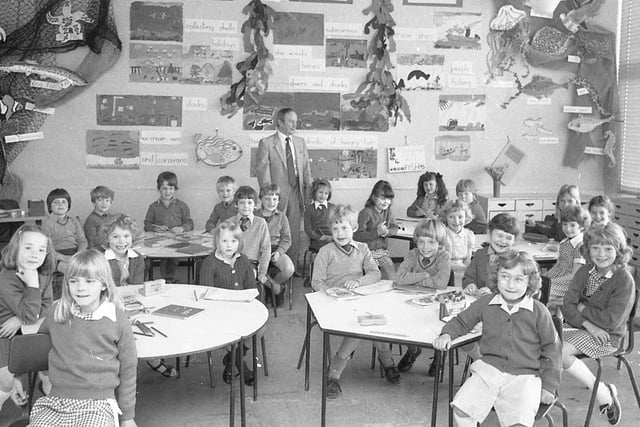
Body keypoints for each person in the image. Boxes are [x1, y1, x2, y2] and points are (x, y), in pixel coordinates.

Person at [434, 251, 561, 427]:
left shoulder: (539, 311)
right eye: (505, 277)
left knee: (518, 423)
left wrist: (549, 386)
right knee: (461, 409)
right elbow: (462, 321)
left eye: (518, 279)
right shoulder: (486, 302)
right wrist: (447, 334)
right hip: (488, 371)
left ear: (529, 282)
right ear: (495, 277)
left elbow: (552, 350)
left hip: (525, 377)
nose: (510, 284)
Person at [29, 250, 138, 427]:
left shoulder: (116, 319)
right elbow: (36, 348)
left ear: (103, 284)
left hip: (98, 403)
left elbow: (129, 370)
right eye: (74, 281)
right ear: (67, 284)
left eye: (89, 281)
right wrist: (41, 376)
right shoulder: (58, 312)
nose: (80, 287)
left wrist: (127, 416)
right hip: (56, 401)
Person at [312, 204, 400, 399]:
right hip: (333, 304)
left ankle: (385, 362)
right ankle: (336, 372)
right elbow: (316, 281)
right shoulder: (325, 251)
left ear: (354, 228)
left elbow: (375, 273)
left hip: (358, 301)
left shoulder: (363, 248)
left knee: (377, 321)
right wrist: (329, 292)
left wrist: (359, 281)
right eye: (335, 229)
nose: (340, 233)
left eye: (344, 228)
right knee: (360, 327)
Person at [561, 222, 634, 425]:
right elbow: (567, 305)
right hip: (583, 328)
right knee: (543, 342)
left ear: (619, 251)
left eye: (608, 249)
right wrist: (587, 323)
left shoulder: (624, 280)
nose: (601, 254)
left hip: (608, 336)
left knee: (560, 352)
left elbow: (610, 320)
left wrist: (582, 308)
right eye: (595, 248)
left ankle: (602, 392)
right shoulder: (585, 271)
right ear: (588, 249)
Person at [0, 225, 55, 410]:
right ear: (16, 248)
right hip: (4, 333)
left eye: (41, 249)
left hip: (25, 327)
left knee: (54, 360)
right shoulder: (7, 277)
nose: (35, 254)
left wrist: (19, 318)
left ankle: (48, 386)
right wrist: (32, 284)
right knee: (6, 380)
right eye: (28, 247)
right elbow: (31, 315)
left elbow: (47, 306)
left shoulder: (44, 274)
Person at [198, 221, 256, 386]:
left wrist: (253, 304)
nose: (229, 245)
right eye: (224, 241)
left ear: (240, 243)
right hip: (219, 313)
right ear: (217, 241)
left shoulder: (243, 260)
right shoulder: (210, 263)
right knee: (233, 333)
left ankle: (231, 360)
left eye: (234, 241)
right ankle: (241, 367)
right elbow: (207, 294)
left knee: (260, 329)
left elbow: (252, 288)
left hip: (243, 309)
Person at [255, 108, 312, 273]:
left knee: (293, 233)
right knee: (272, 231)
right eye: (290, 121)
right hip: (275, 197)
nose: (295, 124)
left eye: (296, 120)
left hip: (296, 193)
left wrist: (309, 193)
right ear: (279, 122)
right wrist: (268, 197)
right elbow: (262, 171)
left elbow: (306, 169)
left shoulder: (300, 142)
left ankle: (291, 269)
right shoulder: (266, 143)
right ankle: (267, 268)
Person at [395, 219, 452, 375]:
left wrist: (413, 278)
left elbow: (440, 283)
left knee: (436, 324)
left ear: (439, 243)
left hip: (436, 303)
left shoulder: (444, 257)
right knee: (404, 319)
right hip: (412, 300)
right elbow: (399, 278)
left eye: (431, 242)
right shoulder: (412, 254)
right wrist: (424, 275)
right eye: (421, 242)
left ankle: (438, 356)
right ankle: (413, 349)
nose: (425, 247)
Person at [143, 171, 194, 283]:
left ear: (175, 189)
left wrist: (182, 228)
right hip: (159, 241)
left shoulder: (182, 205)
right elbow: (147, 224)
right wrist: (155, 228)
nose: (168, 192)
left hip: (177, 240)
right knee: (163, 257)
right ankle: (164, 279)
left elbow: (190, 223)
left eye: (171, 188)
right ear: (159, 189)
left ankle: (169, 278)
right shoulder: (153, 206)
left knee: (173, 257)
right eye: (164, 188)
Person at [545, 206, 590, 314]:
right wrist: (545, 276)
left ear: (582, 226)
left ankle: (547, 320)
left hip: (570, 284)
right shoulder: (564, 242)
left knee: (542, 292)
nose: (568, 229)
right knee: (537, 286)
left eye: (572, 225)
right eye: (565, 224)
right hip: (559, 278)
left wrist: (550, 282)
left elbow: (574, 275)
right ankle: (551, 318)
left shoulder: (580, 246)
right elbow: (558, 265)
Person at [462, 213, 520, 298]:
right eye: (499, 235)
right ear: (489, 233)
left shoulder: (515, 261)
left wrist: (493, 292)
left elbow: (515, 288)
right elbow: (468, 277)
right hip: (479, 302)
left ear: (514, 240)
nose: (503, 241)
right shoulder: (479, 254)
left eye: (509, 238)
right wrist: (470, 285)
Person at [255, 183, 294, 306]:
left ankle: (270, 287)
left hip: (275, 249)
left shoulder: (282, 216)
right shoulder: (254, 215)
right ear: (261, 199)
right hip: (258, 250)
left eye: (274, 199)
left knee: (289, 269)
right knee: (254, 269)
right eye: (267, 198)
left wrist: (279, 252)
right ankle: (277, 289)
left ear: (278, 201)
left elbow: (287, 239)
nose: (271, 202)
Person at [354, 180, 398, 281]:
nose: (386, 201)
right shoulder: (366, 213)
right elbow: (357, 236)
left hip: (381, 251)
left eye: (389, 198)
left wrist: (386, 232)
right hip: (366, 252)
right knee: (373, 276)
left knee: (392, 273)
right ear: (374, 198)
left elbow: (394, 228)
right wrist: (376, 233)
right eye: (382, 198)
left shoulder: (387, 211)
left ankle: (392, 293)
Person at [233, 186, 271, 292]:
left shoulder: (260, 223)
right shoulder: (229, 223)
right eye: (241, 202)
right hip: (231, 261)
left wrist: (262, 272)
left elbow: (266, 249)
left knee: (242, 277)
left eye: (249, 202)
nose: (246, 206)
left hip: (251, 263)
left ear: (255, 205)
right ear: (236, 204)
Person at [41, 188, 88, 274]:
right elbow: (47, 248)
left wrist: (78, 254)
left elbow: (82, 240)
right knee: (71, 270)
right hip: (57, 256)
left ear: (68, 205)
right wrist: (64, 258)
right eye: (56, 202)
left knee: (91, 267)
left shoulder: (74, 221)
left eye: (63, 201)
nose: (60, 204)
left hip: (75, 253)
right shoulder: (47, 224)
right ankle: (67, 287)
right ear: (50, 206)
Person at [101, 215, 145, 286]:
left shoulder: (138, 258)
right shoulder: (101, 260)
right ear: (107, 238)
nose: (121, 241)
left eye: (126, 236)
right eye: (115, 237)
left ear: (132, 237)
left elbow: (138, 285)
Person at [441, 199, 475, 267]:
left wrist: (464, 268)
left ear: (466, 217)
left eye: (460, 217)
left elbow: (468, 258)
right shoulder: (443, 234)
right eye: (451, 217)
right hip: (447, 266)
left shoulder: (469, 234)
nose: (456, 221)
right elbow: (443, 258)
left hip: (464, 266)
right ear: (445, 217)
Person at [303, 178, 334, 252]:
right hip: (317, 240)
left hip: (333, 237)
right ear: (314, 192)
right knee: (326, 249)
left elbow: (338, 223)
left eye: (326, 193)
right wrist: (319, 237)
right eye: (320, 192)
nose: (323, 195)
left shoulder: (333, 207)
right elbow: (308, 229)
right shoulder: (309, 209)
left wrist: (333, 236)